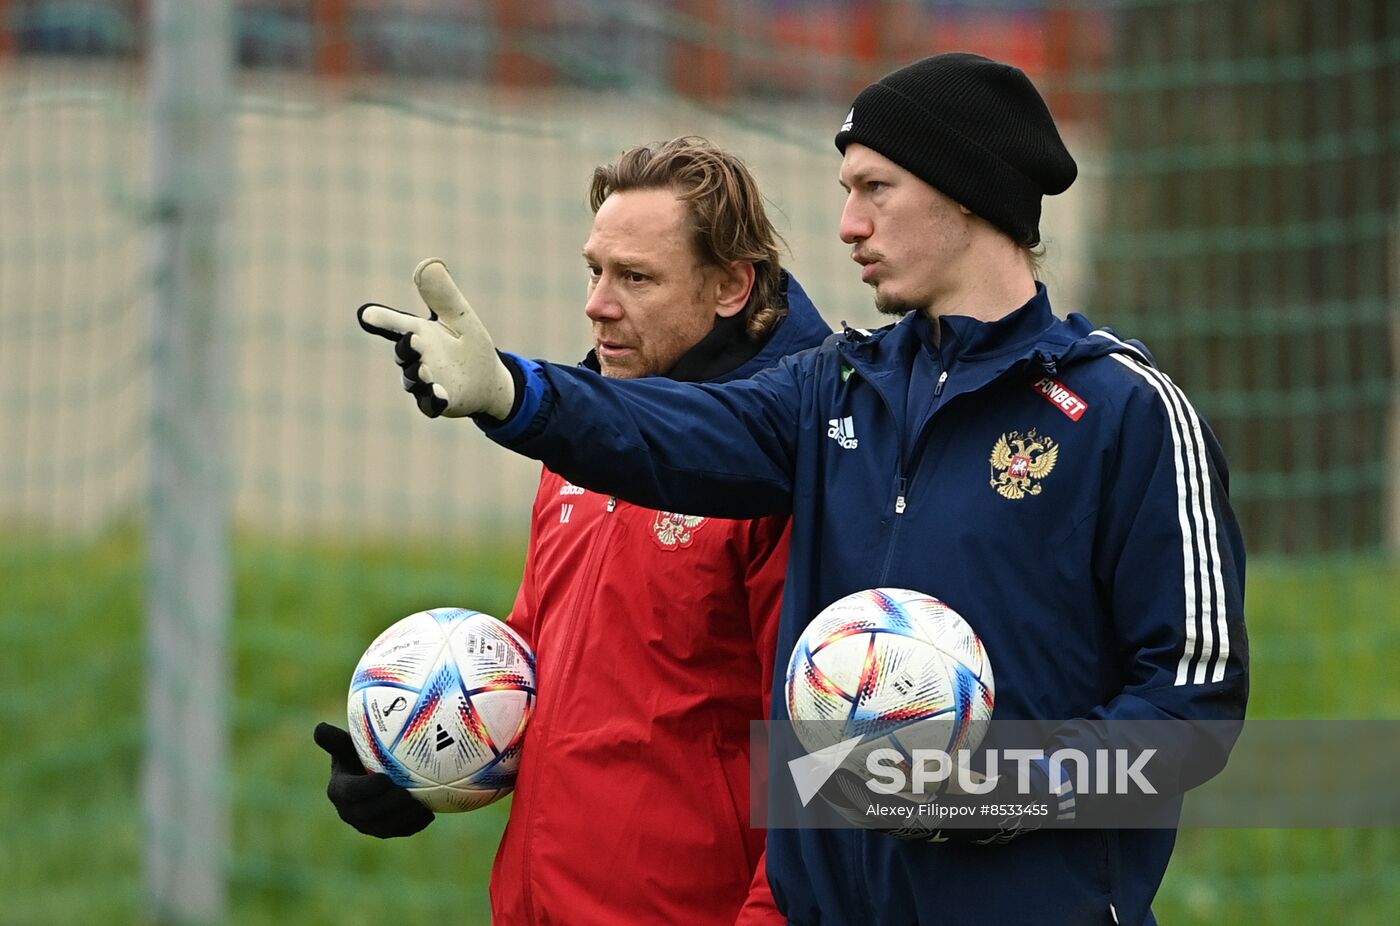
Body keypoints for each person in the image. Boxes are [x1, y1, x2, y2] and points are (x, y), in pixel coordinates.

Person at [356, 55, 1249, 926]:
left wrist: (1000, 791)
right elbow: (676, 433)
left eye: (874, 190)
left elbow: (1193, 707)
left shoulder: (1122, 412)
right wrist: (517, 393)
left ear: (965, 191)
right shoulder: (835, 386)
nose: (848, 226)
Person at [322, 137, 830, 925]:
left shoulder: (783, 466)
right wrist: (414, 758)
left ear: (732, 286)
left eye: (635, 278)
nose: (597, 303)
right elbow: (533, 672)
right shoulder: (578, 440)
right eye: (595, 270)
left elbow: (821, 755)